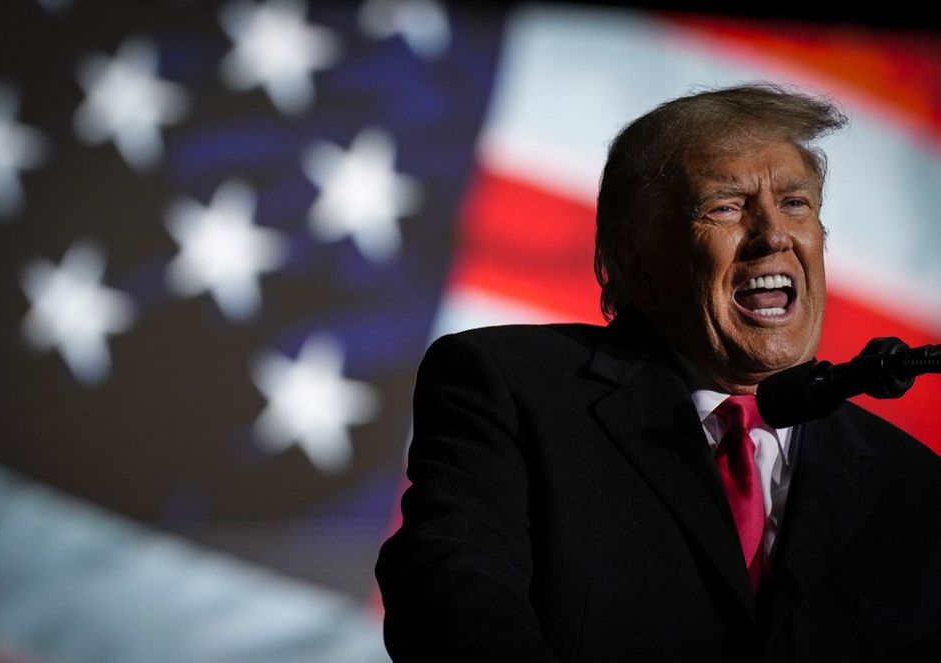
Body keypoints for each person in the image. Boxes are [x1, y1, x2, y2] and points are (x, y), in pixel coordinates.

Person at [375, 83, 941, 662]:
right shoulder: (511, 386)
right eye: (726, 206)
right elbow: (449, 597)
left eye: (796, 204)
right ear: (637, 260)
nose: (773, 235)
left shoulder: (913, 485)